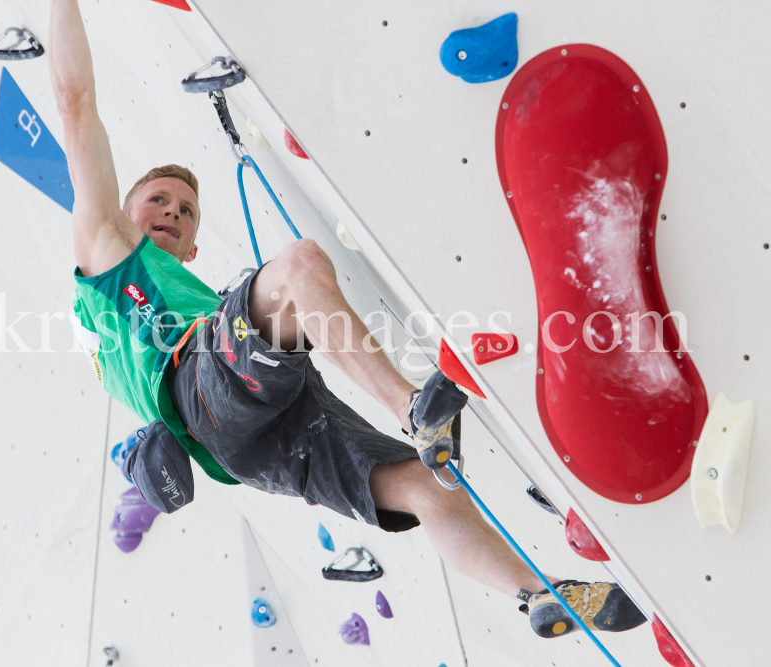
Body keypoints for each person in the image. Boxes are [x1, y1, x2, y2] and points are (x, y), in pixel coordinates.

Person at [49, 0, 645, 639]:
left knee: (428, 486)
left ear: (195, 247)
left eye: (188, 210)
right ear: (119, 209)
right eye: (158, 200)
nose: (172, 211)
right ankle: (410, 407)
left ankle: (536, 596)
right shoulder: (106, 252)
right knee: (300, 266)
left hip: (257, 444)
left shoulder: (180, 294)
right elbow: (73, 100)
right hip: (203, 390)